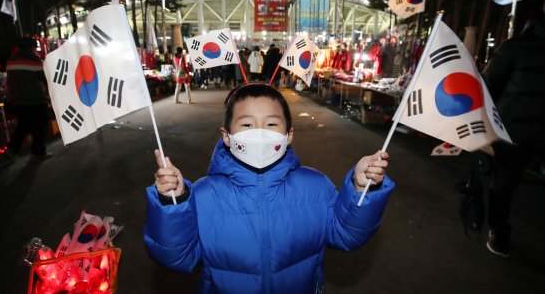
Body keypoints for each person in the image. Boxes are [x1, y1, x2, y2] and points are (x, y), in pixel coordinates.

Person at [144, 83, 395, 293]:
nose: (260, 134)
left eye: (272, 124)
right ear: (227, 136)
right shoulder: (203, 195)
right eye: (247, 125)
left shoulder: (315, 187)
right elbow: (178, 258)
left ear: (289, 135)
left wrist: (362, 189)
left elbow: (347, 234)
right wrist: (172, 204)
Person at [482, 0, 545, 257]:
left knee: (503, 186)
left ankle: (499, 234)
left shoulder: (516, 48)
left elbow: (487, 88)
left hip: (515, 133)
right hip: (527, 133)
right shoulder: (517, 48)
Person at [5, 36, 52, 160]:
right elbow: (45, 78)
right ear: (32, 47)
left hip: (18, 100)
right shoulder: (33, 60)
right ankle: (38, 151)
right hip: (35, 99)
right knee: (40, 126)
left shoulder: (11, 61)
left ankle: (12, 148)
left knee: (23, 125)